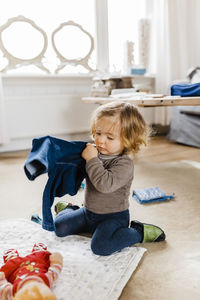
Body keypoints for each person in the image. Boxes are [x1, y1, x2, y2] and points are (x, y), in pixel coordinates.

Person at [54, 101, 166, 256]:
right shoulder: (94, 153)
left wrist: (91, 160)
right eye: (98, 133)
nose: (100, 140)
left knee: (101, 246)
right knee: (59, 227)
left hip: (113, 217)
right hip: (88, 211)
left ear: (128, 139)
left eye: (110, 137)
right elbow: (83, 173)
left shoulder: (124, 164)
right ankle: (69, 209)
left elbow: (104, 185)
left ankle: (138, 232)